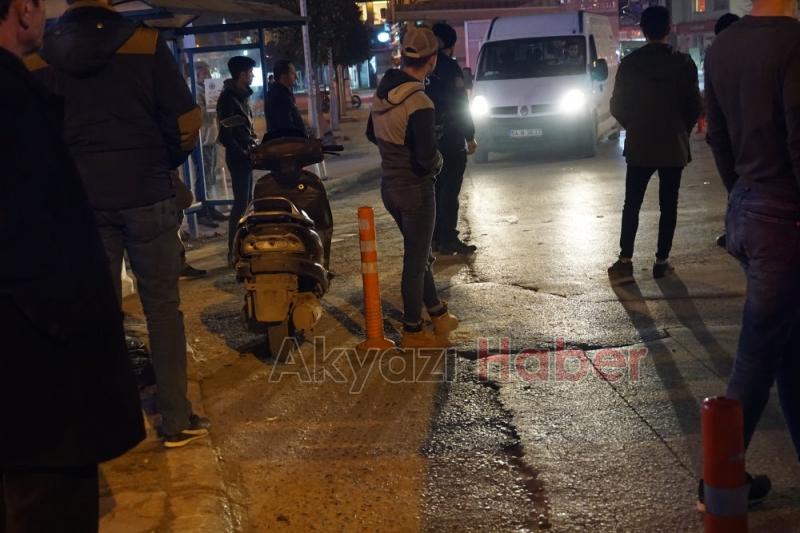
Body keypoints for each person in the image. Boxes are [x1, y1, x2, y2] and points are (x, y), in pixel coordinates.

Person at [27, 0, 210, 448]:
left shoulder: (41, 55)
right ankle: (174, 419)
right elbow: (186, 122)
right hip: (147, 194)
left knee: (98, 313)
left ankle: (101, 422)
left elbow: (31, 134)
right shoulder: (144, 45)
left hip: (82, 203)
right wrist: (163, 160)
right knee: (162, 310)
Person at [1, 0, 145, 529]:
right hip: (37, 386)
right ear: (21, 12)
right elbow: (34, 249)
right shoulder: (15, 102)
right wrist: (79, 335)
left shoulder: (35, 85)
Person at [702, 0, 800, 508]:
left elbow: (716, 135)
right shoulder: (792, 44)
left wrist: (739, 196)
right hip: (783, 217)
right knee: (759, 353)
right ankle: (717, 486)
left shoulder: (724, 46)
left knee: (787, 344)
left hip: (746, 209)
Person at [366, 26, 459, 348]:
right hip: (415, 189)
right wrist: (437, 159)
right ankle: (412, 330)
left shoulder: (382, 91)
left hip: (389, 186)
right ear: (431, 60)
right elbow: (424, 157)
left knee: (420, 256)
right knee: (415, 261)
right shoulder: (419, 100)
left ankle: (436, 312)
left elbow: (370, 134)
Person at [607, 6, 702, 281]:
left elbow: (616, 106)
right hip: (673, 145)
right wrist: (680, 129)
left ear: (642, 30)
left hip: (640, 146)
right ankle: (662, 260)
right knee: (668, 204)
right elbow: (694, 106)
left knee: (632, 203)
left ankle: (625, 259)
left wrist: (635, 126)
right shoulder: (683, 63)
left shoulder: (630, 64)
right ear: (669, 28)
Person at [426, 22, 478, 256]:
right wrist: (470, 136)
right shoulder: (448, 67)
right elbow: (460, 104)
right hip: (450, 136)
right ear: (450, 44)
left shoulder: (421, 66)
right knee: (449, 190)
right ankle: (447, 238)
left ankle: (435, 238)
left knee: (434, 191)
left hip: (426, 138)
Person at [217, 55, 258, 264]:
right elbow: (226, 134)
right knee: (241, 202)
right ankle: (234, 250)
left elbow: (244, 127)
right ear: (242, 74)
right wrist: (242, 151)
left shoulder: (240, 96)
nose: (252, 75)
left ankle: (243, 246)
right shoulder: (228, 98)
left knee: (247, 202)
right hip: (239, 156)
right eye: (250, 72)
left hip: (246, 154)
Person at [709, 13, 739, 249]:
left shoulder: (717, 58)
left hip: (732, 138)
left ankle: (736, 232)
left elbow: (712, 106)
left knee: (735, 187)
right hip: (745, 136)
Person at [194, 61, 228, 229]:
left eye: (208, 73)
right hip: (202, 140)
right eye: (204, 74)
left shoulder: (208, 90)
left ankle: (211, 207)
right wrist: (213, 104)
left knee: (211, 175)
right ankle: (202, 212)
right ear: (196, 75)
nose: (208, 76)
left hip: (211, 138)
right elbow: (201, 116)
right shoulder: (195, 92)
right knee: (204, 177)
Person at [266, 60, 307, 136]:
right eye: (292, 73)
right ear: (283, 76)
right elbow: (287, 127)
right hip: (288, 145)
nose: (296, 77)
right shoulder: (280, 97)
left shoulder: (280, 93)